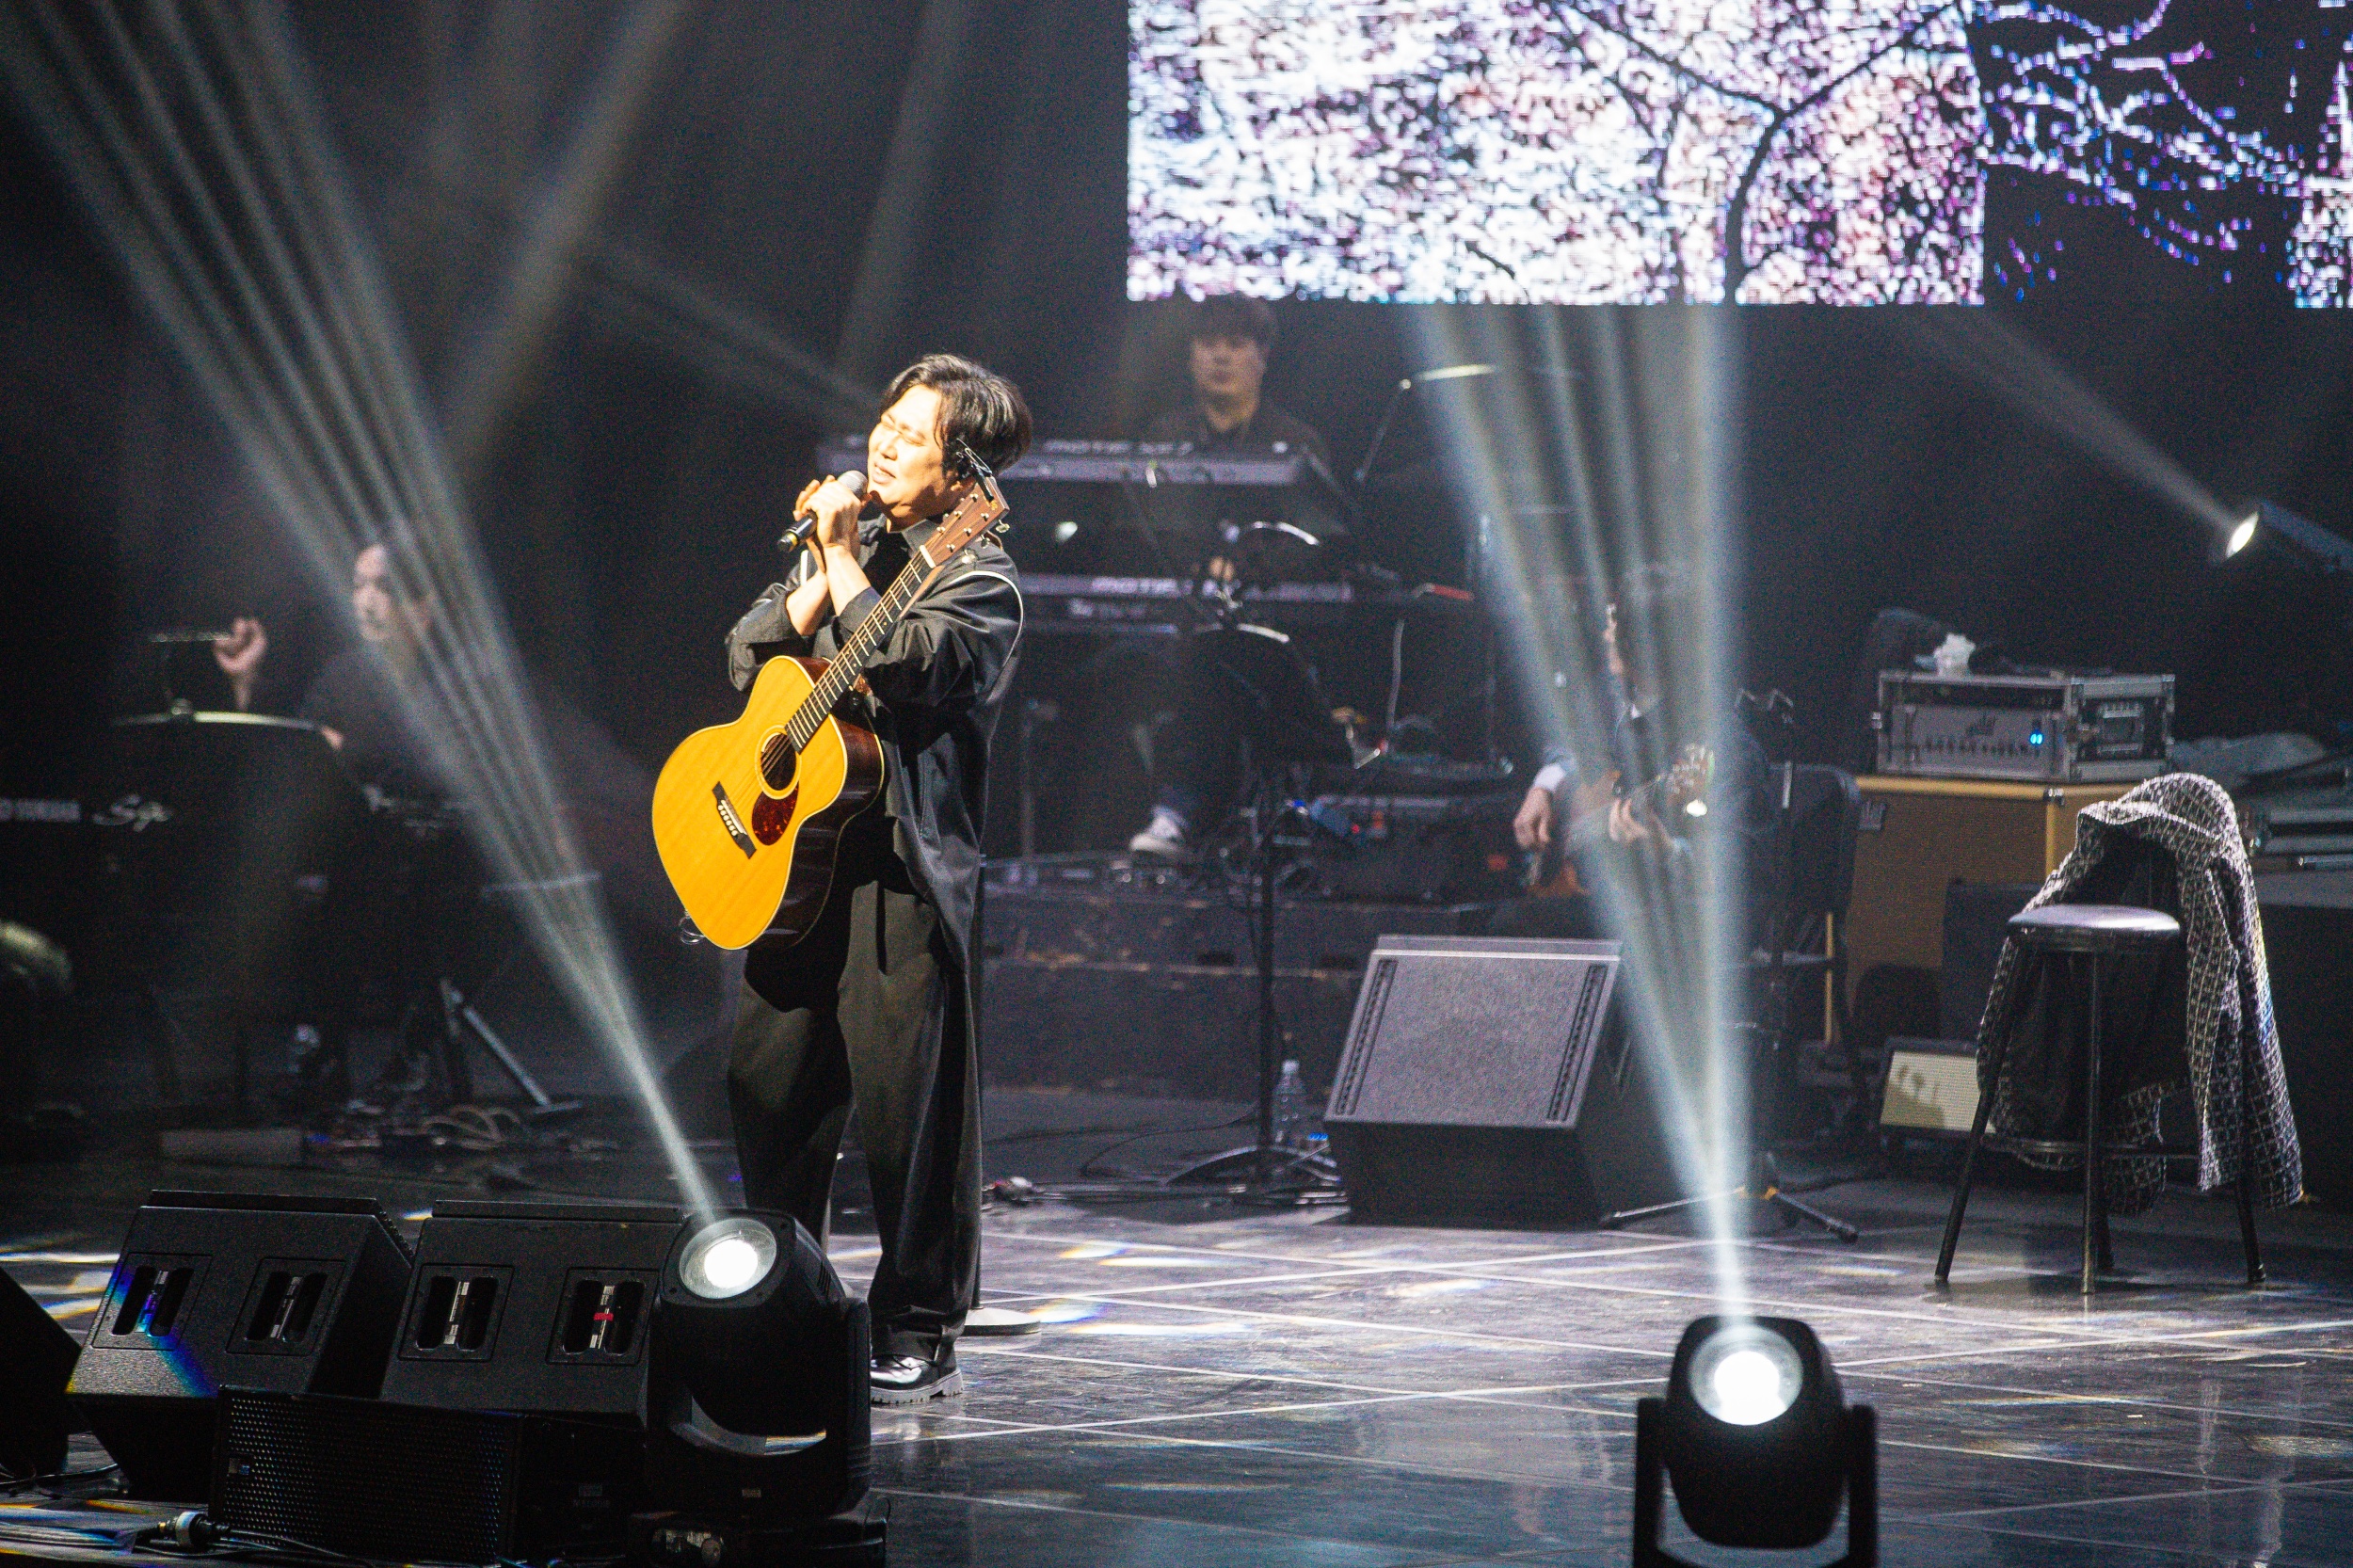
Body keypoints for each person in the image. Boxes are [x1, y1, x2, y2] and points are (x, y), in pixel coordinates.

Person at [720, 353, 1028, 1406]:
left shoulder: (977, 574)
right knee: (767, 1094)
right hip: (796, 864)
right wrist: (820, 570)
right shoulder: (857, 552)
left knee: (908, 1119)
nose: (883, 447)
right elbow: (747, 658)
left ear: (962, 469)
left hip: (898, 872)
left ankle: (917, 1323)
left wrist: (848, 564)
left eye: (912, 435)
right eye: (883, 426)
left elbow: (906, 665)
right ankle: (780, 1302)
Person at [1127, 296, 1335, 858]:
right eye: (1208, 344)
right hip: (1173, 614)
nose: (1220, 357)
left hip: (1269, 618)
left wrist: (1244, 567)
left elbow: (1316, 539)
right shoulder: (1163, 437)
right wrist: (1198, 567)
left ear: (1262, 357)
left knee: (1221, 660)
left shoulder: (1296, 441)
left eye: (1236, 345)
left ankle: (1178, 812)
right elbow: (1145, 526)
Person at [1506, 566, 1769, 933]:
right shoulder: (1615, 701)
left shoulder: (1723, 744)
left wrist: (1669, 852)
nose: (1605, 635)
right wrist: (1546, 787)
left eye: (1613, 624)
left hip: (1678, 928)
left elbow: (1741, 868)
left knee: (1515, 926)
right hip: (1617, 904)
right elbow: (1575, 747)